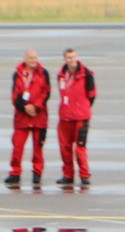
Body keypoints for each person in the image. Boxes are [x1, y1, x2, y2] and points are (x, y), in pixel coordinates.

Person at [7, 47, 49, 187]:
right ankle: (15, 173)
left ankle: (37, 173)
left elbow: (46, 93)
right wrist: (25, 107)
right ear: (25, 58)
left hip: (39, 116)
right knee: (17, 147)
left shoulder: (44, 73)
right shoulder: (18, 73)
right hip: (22, 117)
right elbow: (15, 95)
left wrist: (35, 107)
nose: (33, 60)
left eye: (35, 57)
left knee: (38, 148)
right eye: (30, 57)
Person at [55, 48, 96, 187]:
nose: (71, 60)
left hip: (81, 117)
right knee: (65, 148)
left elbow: (92, 94)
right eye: (68, 57)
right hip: (65, 116)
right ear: (65, 59)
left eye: (73, 57)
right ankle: (68, 175)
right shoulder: (61, 75)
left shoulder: (87, 74)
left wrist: (82, 108)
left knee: (80, 148)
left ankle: (84, 175)